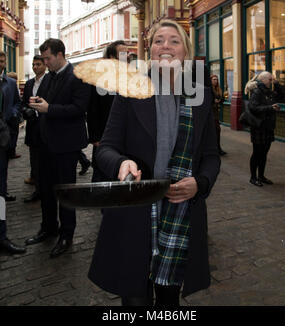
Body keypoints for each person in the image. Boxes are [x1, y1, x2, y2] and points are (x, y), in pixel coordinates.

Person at [88, 19, 220, 306]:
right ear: (150, 50)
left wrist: (201, 182)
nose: (166, 46)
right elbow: (106, 148)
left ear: (185, 51)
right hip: (136, 208)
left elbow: (210, 154)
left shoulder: (200, 96)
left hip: (180, 210)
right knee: (135, 297)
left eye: (174, 40)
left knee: (169, 295)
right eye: (159, 40)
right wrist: (121, 164)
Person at [25, 39, 91, 258]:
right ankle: (48, 227)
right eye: (42, 59)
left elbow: (79, 108)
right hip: (45, 143)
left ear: (60, 55)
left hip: (66, 145)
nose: (45, 62)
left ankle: (66, 234)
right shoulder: (49, 77)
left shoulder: (78, 75)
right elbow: (44, 102)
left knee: (65, 192)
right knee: (45, 189)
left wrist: (49, 108)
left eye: (48, 58)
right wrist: (35, 107)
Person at [86, 40, 128, 182]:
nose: (126, 56)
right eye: (122, 53)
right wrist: (95, 138)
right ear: (111, 57)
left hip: (126, 137)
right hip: (104, 137)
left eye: (127, 53)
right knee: (101, 175)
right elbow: (92, 109)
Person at [0, 51, 25, 255]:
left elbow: (17, 102)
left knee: (0, 192)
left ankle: (1, 235)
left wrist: (13, 114)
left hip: (2, 141)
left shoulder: (9, 83)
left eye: (2, 60)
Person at [248, 71, 282, 187]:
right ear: (263, 80)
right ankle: (253, 177)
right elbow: (253, 108)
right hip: (258, 127)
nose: (271, 81)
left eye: (272, 80)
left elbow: (281, 96)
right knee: (257, 153)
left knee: (264, 153)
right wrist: (270, 108)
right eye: (270, 80)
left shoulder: (269, 91)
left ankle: (261, 176)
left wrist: (277, 84)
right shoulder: (257, 92)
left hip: (268, 127)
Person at [22, 55, 48, 203]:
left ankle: (44, 190)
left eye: (38, 64)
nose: (35, 67)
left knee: (45, 161)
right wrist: (26, 110)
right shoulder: (29, 83)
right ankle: (38, 189)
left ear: (44, 65)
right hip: (32, 127)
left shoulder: (49, 81)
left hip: (45, 126)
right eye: (33, 65)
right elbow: (24, 102)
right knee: (34, 160)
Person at [6, 71, 21, 160]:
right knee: (12, 135)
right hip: (11, 117)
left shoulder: (13, 86)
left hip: (13, 116)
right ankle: (11, 152)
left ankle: (11, 151)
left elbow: (17, 101)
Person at [210, 74, 226, 156]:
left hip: (216, 113)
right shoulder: (210, 90)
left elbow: (222, 99)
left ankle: (217, 148)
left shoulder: (219, 89)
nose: (215, 81)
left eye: (216, 79)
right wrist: (214, 101)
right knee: (216, 131)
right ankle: (216, 149)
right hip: (211, 113)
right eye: (214, 79)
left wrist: (219, 101)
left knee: (217, 131)